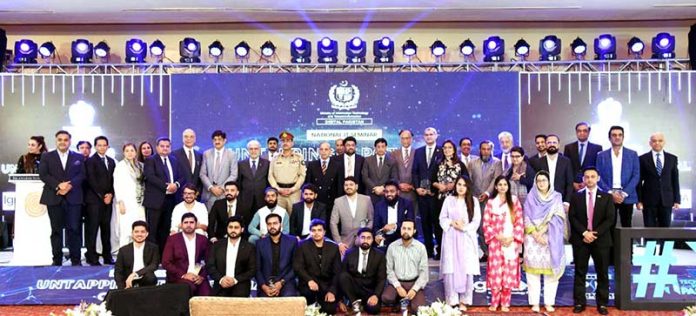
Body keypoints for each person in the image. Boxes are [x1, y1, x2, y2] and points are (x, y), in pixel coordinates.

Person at [568, 167, 615, 315]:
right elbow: (573, 217)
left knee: (602, 273)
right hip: (581, 239)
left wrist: (594, 233)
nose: (589, 179)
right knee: (580, 272)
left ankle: (602, 304)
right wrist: (584, 233)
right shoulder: (576, 197)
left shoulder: (607, 197)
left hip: (600, 240)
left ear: (598, 178)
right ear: (583, 179)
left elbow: (610, 219)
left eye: (592, 176)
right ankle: (580, 302)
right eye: (586, 177)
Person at [39, 130, 85, 266]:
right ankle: (57, 260)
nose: (63, 142)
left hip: (74, 197)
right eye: (60, 139)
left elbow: (82, 174)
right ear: (56, 141)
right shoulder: (47, 156)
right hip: (54, 197)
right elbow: (44, 175)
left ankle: (76, 260)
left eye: (65, 140)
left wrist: (69, 186)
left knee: (75, 229)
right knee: (56, 230)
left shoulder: (78, 156)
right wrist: (59, 186)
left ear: (70, 141)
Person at [523, 171, 567, 313]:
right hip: (532, 238)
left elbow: (558, 218)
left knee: (550, 273)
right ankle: (534, 303)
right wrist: (535, 233)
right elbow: (526, 217)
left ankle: (549, 302)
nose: (541, 183)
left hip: (550, 238)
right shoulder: (530, 197)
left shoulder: (556, 197)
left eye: (544, 180)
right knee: (532, 274)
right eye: (539, 181)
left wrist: (542, 231)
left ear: (549, 182)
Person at [438, 176, 481, 311]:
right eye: (459, 184)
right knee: (451, 268)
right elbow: (442, 218)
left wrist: (463, 227)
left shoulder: (473, 201)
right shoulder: (449, 200)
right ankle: (452, 300)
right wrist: (452, 223)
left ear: (468, 187)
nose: (461, 187)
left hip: (466, 237)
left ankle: (464, 300)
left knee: (466, 268)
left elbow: (476, 221)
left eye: (464, 185)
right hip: (451, 237)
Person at [483, 176, 523, 312]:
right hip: (495, 242)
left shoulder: (515, 201)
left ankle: (506, 302)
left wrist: (511, 238)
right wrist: (498, 236)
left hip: (511, 242)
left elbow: (519, 222)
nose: (502, 187)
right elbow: (486, 224)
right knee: (495, 272)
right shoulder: (490, 203)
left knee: (508, 272)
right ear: (495, 187)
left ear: (508, 186)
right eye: (499, 184)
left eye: (505, 184)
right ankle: (495, 302)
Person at [429, 139, 469, 259]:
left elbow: (466, 179)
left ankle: (455, 252)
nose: (447, 150)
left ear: (454, 149)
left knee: (455, 224)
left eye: (449, 147)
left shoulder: (460, 164)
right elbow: (431, 181)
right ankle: (441, 251)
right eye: (445, 148)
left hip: (456, 200)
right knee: (439, 225)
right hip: (440, 200)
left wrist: (454, 185)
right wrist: (438, 185)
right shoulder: (437, 163)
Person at [143, 137, 184, 249]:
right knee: (153, 230)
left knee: (166, 229)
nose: (165, 148)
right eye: (162, 146)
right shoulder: (151, 160)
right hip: (155, 201)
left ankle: (163, 256)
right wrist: (167, 187)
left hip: (171, 200)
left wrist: (176, 185)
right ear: (157, 147)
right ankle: (152, 258)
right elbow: (150, 176)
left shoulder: (174, 160)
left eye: (167, 146)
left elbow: (181, 177)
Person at [596, 125, 640, 229]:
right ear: (609, 138)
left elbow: (636, 175)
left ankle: (626, 246)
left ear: (623, 137)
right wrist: (611, 193)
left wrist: (624, 193)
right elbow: (598, 176)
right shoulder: (601, 155)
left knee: (627, 225)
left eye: (620, 135)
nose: (617, 137)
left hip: (626, 195)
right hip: (608, 195)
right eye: (614, 135)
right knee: (608, 225)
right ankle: (611, 246)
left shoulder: (632, 154)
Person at [293, 219, 341, 314]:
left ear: (324, 232)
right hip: (308, 284)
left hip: (326, 285)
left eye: (319, 230)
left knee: (329, 310)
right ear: (310, 232)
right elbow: (298, 266)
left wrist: (332, 291)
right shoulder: (302, 245)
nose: (316, 233)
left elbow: (337, 272)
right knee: (307, 309)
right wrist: (309, 280)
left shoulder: (333, 247)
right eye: (313, 230)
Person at [382, 219, 429, 314]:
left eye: (409, 229)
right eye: (404, 228)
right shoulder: (392, 247)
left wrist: (414, 289)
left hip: (414, 282)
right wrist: (398, 286)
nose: (406, 231)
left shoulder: (420, 247)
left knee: (419, 309)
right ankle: (399, 299)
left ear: (414, 231)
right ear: (400, 230)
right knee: (386, 298)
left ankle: (409, 300)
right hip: (397, 282)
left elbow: (424, 272)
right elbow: (389, 270)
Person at [411, 127, 443, 259]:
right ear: (424, 137)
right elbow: (415, 172)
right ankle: (428, 250)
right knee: (425, 223)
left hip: (437, 195)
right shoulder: (418, 152)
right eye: (426, 135)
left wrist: (435, 188)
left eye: (431, 134)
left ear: (436, 136)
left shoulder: (442, 151)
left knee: (438, 224)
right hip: (422, 195)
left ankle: (440, 251)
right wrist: (417, 187)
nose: (429, 137)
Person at [468, 140, 503, 260]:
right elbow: (469, 180)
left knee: (487, 226)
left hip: (490, 199)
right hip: (474, 199)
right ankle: (485, 252)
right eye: (484, 149)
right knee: (478, 226)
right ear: (480, 150)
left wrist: (487, 193)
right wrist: (472, 196)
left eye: (488, 149)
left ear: (492, 150)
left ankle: (490, 252)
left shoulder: (497, 163)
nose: (486, 151)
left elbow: (496, 180)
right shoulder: (472, 163)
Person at [84, 135, 116, 265]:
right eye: (99, 145)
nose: (102, 147)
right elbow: (91, 181)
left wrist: (111, 195)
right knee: (92, 230)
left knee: (106, 230)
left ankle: (107, 256)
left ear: (108, 146)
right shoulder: (90, 161)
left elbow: (114, 181)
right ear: (96, 146)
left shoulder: (112, 161)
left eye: (104, 145)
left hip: (108, 201)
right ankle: (92, 257)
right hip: (94, 201)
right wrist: (103, 196)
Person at [161, 212, 211, 296]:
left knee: (207, 293)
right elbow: (166, 262)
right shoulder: (173, 239)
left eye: (191, 222)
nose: (188, 225)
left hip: (198, 277)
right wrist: (183, 275)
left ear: (196, 224)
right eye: (186, 222)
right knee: (189, 288)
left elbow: (210, 261)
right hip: (178, 277)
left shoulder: (203, 239)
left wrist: (202, 276)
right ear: (181, 224)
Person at [206, 216, 257, 297]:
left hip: (240, 285)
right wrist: (221, 279)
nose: (233, 230)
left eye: (236, 227)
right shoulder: (217, 245)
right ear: (227, 229)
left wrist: (235, 280)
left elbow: (252, 269)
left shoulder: (249, 247)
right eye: (230, 227)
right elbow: (210, 266)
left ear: (242, 229)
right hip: (220, 284)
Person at [340, 228, 387, 315]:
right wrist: (340, 300)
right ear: (358, 238)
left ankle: (363, 304)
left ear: (373, 239)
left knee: (374, 309)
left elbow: (382, 279)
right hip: (354, 291)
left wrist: (375, 295)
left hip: (370, 291)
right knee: (343, 276)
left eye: (368, 238)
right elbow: (341, 275)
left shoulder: (379, 255)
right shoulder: (349, 253)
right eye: (363, 237)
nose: (365, 240)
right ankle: (354, 303)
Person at [638, 132, 680, 228]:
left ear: (664, 142)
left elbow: (675, 180)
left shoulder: (672, 158)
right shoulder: (642, 159)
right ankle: (650, 244)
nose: (657, 143)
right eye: (654, 141)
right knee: (649, 230)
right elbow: (639, 181)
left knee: (665, 230)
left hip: (667, 200)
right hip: (648, 200)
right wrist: (639, 200)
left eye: (660, 141)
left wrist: (677, 199)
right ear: (650, 143)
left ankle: (664, 244)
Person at [255, 213, 299, 297]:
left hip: (286, 281)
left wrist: (281, 282)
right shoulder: (260, 243)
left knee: (288, 299)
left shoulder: (292, 241)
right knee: (263, 304)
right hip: (266, 283)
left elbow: (295, 267)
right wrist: (264, 287)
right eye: (269, 224)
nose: (272, 226)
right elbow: (257, 269)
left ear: (281, 225)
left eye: (275, 223)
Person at [330, 176, 374, 256]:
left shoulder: (366, 199)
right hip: (345, 243)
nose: (348, 187)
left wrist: (365, 234)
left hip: (363, 241)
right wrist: (339, 243)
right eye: (346, 185)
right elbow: (333, 223)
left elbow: (371, 219)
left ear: (356, 186)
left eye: (351, 184)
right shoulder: (338, 201)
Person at [114, 143, 146, 248]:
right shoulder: (120, 166)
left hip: (140, 202)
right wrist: (120, 202)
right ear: (123, 153)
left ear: (136, 152)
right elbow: (117, 185)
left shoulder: (140, 166)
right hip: (126, 203)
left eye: (132, 150)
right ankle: (123, 256)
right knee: (126, 230)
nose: (130, 153)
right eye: (127, 151)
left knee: (140, 229)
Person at [114, 221, 160, 289]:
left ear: (147, 234)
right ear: (132, 233)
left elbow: (154, 265)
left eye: (142, 232)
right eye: (136, 231)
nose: (139, 234)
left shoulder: (153, 248)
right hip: (128, 280)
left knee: (151, 278)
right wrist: (122, 288)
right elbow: (118, 271)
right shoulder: (123, 250)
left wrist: (135, 274)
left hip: (145, 278)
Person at [268, 131, 306, 213]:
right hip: (279, 193)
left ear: (292, 143)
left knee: (294, 218)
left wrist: (293, 189)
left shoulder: (299, 157)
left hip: (294, 193)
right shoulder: (275, 158)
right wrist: (277, 189)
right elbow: (270, 175)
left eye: (288, 141)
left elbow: (302, 175)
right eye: (283, 141)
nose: (285, 143)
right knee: (278, 218)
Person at [200, 130, 238, 210]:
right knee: (210, 220)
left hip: (224, 194)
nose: (217, 142)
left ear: (225, 141)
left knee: (223, 220)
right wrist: (211, 187)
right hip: (209, 194)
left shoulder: (231, 154)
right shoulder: (206, 154)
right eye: (215, 139)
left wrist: (222, 188)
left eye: (219, 139)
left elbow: (234, 175)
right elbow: (202, 174)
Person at [373, 180, 415, 248]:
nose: (389, 194)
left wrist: (394, 226)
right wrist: (378, 235)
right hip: (385, 238)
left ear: (398, 192)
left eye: (392, 191)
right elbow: (376, 226)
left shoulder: (407, 204)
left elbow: (411, 222)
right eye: (386, 192)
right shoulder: (379, 205)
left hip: (402, 236)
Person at [564, 122, 603, 189]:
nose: (582, 133)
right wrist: (573, 183)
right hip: (573, 186)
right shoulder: (568, 147)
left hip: (590, 185)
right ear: (576, 132)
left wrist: (586, 182)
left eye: (585, 131)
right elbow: (566, 168)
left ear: (589, 132)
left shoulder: (597, 148)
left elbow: (598, 168)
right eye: (579, 131)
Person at [537, 135, 575, 204]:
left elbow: (569, 183)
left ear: (559, 145)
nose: (552, 145)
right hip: (543, 201)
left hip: (561, 201)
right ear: (545, 145)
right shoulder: (538, 162)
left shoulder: (566, 161)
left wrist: (567, 202)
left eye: (554, 142)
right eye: (549, 143)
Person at [237, 139, 270, 215]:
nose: (253, 151)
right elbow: (238, 182)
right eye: (251, 149)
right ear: (247, 150)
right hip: (246, 200)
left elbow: (269, 182)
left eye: (256, 149)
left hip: (262, 199)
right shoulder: (241, 164)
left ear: (260, 150)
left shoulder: (267, 164)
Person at [362, 137, 399, 204]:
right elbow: (365, 177)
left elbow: (393, 178)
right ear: (375, 148)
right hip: (371, 194)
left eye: (383, 146)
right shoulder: (367, 160)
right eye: (378, 147)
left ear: (386, 147)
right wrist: (375, 188)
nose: (380, 149)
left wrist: (382, 187)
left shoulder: (392, 161)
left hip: (385, 194)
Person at [304, 142, 339, 212]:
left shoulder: (337, 165)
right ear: (319, 151)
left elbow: (339, 185)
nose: (323, 152)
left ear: (330, 151)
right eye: (321, 149)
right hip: (316, 201)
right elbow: (308, 183)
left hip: (331, 201)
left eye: (326, 149)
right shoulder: (312, 165)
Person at [391, 129, 417, 208]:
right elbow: (392, 172)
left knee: (412, 218)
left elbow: (419, 171)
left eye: (407, 138)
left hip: (413, 193)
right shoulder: (393, 154)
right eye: (403, 138)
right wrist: (398, 184)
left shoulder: (418, 153)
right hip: (398, 192)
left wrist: (412, 186)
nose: (405, 140)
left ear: (412, 139)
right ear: (400, 139)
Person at [173, 128, 203, 196]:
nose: (188, 139)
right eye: (186, 136)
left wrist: (198, 191)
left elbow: (200, 176)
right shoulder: (174, 154)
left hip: (196, 195)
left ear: (195, 139)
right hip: (180, 195)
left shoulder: (199, 156)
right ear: (182, 139)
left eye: (191, 137)